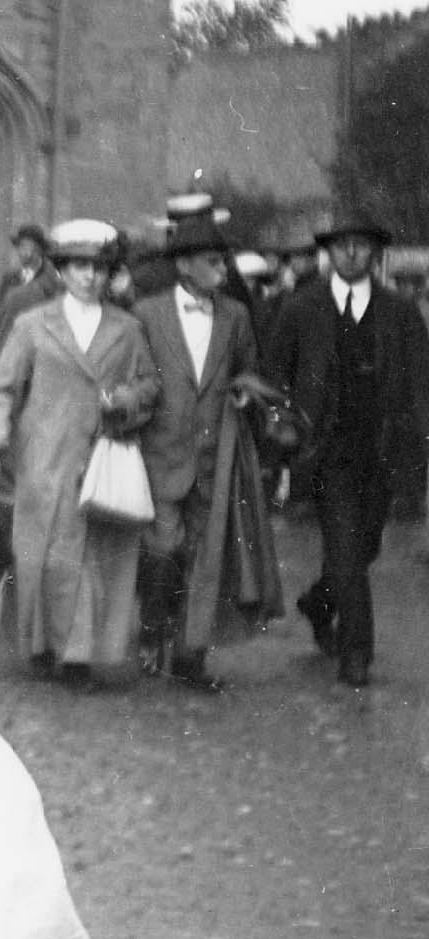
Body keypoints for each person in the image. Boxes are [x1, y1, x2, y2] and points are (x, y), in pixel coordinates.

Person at [0, 219, 159, 685]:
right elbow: (1, 388)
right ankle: (41, 644)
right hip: (43, 459)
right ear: (61, 271)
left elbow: (149, 384)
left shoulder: (128, 328)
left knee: (91, 560)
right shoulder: (32, 325)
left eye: (100, 268)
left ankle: (77, 653)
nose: (90, 277)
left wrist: (122, 401)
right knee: (41, 555)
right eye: (79, 266)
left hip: (101, 459)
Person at [265, 210, 427, 687]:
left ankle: (318, 602)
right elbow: (274, 374)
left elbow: (420, 383)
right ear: (329, 253)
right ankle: (356, 655)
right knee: (346, 546)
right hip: (325, 449)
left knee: (366, 545)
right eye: (342, 246)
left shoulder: (400, 310)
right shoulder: (301, 307)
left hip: (381, 447)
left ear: (375, 254)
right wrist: (285, 427)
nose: (351, 253)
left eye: (361, 246)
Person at [135, 199, 282, 692]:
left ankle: (189, 656)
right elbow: (137, 374)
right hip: (160, 454)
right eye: (214, 262)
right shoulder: (148, 314)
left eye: (224, 261)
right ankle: (153, 626)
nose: (223, 269)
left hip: (213, 459)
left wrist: (245, 387)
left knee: (203, 557)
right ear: (183, 265)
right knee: (163, 547)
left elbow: (248, 367)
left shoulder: (237, 316)